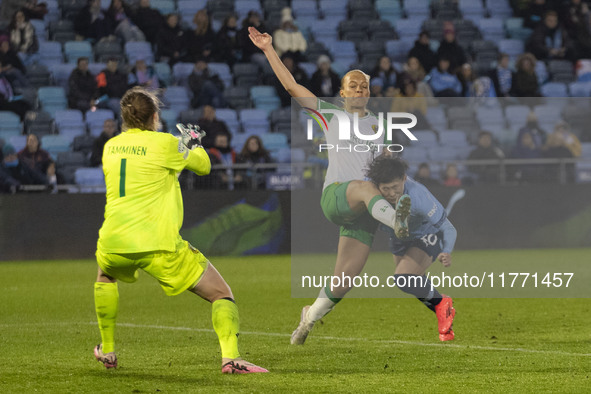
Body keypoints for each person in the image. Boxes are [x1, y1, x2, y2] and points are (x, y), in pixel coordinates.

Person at [249, 26, 415, 345]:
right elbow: (292, 86)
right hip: (338, 196)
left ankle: (307, 320)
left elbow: (387, 168)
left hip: (367, 208)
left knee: (344, 280)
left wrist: (398, 186)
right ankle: (397, 223)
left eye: (364, 85)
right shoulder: (330, 116)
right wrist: (269, 49)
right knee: (365, 188)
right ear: (342, 94)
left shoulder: (380, 126)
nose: (359, 89)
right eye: (353, 85)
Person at [92, 86, 268, 374]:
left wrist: (178, 150)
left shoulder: (110, 147)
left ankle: (108, 350)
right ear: (154, 117)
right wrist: (191, 142)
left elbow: (144, 167)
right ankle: (231, 359)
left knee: (105, 275)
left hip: (112, 240)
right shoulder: (164, 144)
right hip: (157, 243)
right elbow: (204, 166)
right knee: (221, 294)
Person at [368, 156, 457, 341]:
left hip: (427, 235)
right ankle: (444, 315)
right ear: (377, 186)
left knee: (404, 279)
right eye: (386, 189)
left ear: (404, 178)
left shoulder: (418, 196)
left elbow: (448, 228)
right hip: (399, 237)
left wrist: (446, 250)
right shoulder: (369, 192)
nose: (392, 194)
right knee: (415, 285)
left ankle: (442, 303)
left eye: (395, 187)